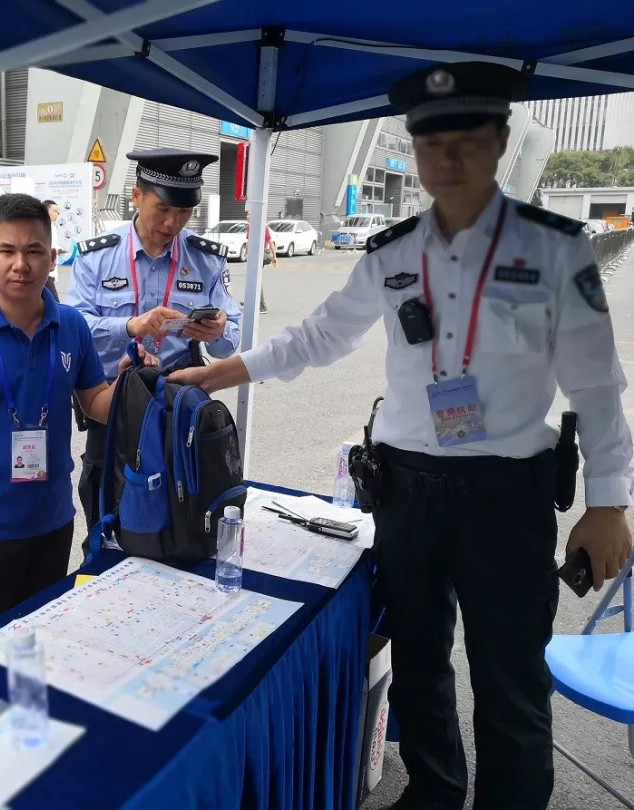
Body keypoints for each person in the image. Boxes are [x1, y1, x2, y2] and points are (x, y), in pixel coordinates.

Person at [170, 62, 634, 810]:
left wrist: (608, 503)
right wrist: (224, 372)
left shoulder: (556, 250)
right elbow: (320, 336)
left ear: (499, 142)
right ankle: (433, 791)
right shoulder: (391, 253)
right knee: (418, 662)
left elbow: (598, 385)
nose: (447, 159)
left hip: (506, 498)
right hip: (407, 493)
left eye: (466, 140)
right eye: (430, 144)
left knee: (509, 678)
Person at [0, 193, 142, 650]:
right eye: (7, 250)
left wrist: (126, 385)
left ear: (53, 257)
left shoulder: (71, 326)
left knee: (37, 643)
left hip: (51, 521)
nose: (20, 264)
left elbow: (94, 402)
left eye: (33, 251)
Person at [66, 147, 243, 533]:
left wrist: (218, 332)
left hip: (179, 411)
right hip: (112, 405)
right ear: (137, 196)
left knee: (182, 519)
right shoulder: (96, 256)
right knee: (106, 515)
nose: (172, 222)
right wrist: (131, 326)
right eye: (163, 208)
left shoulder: (206, 259)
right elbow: (74, 328)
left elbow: (230, 342)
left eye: (184, 211)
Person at [244, 209, 274, 314]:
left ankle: (262, 306)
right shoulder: (258, 227)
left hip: (258, 254)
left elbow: (270, 242)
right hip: (258, 254)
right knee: (252, 278)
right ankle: (250, 301)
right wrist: (246, 253)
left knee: (255, 280)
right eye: (247, 214)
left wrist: (274, 256)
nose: (247, 216)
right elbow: (249, 241)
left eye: (249, 214)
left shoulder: (256, 227)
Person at [43, 199, 63, 301]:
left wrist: (58, 249)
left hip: (50, 270)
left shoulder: (52, 227)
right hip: (45, 272)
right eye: (54, 211)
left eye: (57, 211)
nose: (57, 214)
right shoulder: (41, 227)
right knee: (55, 302)